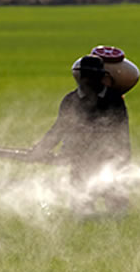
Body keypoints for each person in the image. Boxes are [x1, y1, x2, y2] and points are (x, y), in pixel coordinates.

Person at [30, 54, 131, 215]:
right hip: (78, 157)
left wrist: (123, 158)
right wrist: (43, 148)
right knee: (81, 204)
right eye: (85, 76)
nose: (87, 81)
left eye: (91, 77)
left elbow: (120, 131)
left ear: (100, 78)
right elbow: (59, 128)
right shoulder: (71, 100)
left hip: (107, 158)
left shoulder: (114, 101)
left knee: (116, 203)